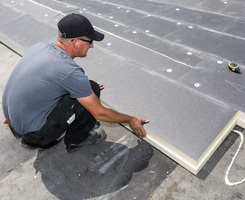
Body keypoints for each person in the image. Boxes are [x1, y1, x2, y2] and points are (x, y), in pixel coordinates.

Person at [2, 13, 148, 153]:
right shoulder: (69, 71)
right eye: (90, 41)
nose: (92, 46)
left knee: (87, 89)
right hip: (34, 133)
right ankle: (76, 141)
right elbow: (100, 114)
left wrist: (81, 88)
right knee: (93, 90)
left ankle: (35, 135)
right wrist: (130, 119)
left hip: (14, 121)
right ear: (76, 42)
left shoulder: (40, 47)